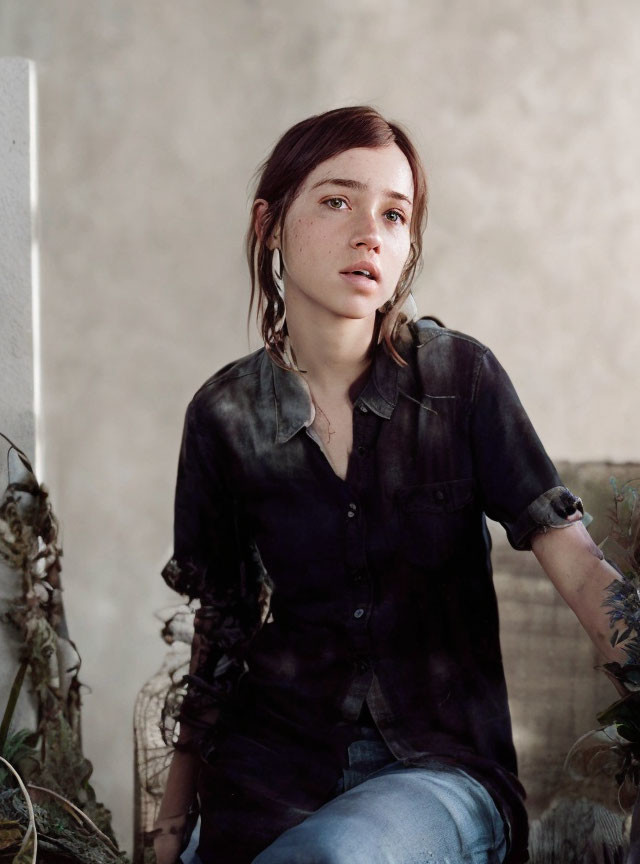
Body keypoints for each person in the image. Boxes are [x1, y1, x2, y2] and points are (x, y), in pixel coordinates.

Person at [152, 106, 627, 864]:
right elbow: (223, 627)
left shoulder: (458, 380)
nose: (369, 231)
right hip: (266, 775)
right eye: (337, 201)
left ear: (408, 247)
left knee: (332, 858)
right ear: (269, 224)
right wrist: (171, 829)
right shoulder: (226, 415)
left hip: (437, 778)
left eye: (395, 214)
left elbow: (577, 566)